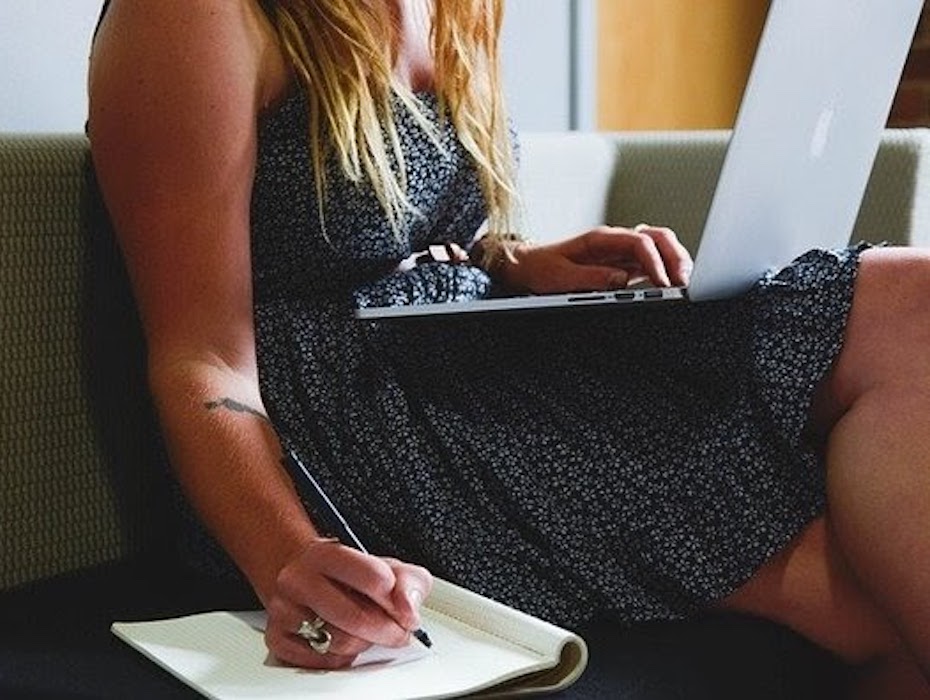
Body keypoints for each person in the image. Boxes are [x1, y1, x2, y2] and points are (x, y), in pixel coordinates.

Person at [88, 0, 930, 694]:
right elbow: (200, 358)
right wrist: (289, 559)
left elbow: (401, 225)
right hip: (338, 427)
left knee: (911, 297)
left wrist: (517, 263)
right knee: (865, 599)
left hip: (460, 353)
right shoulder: (191, 15)